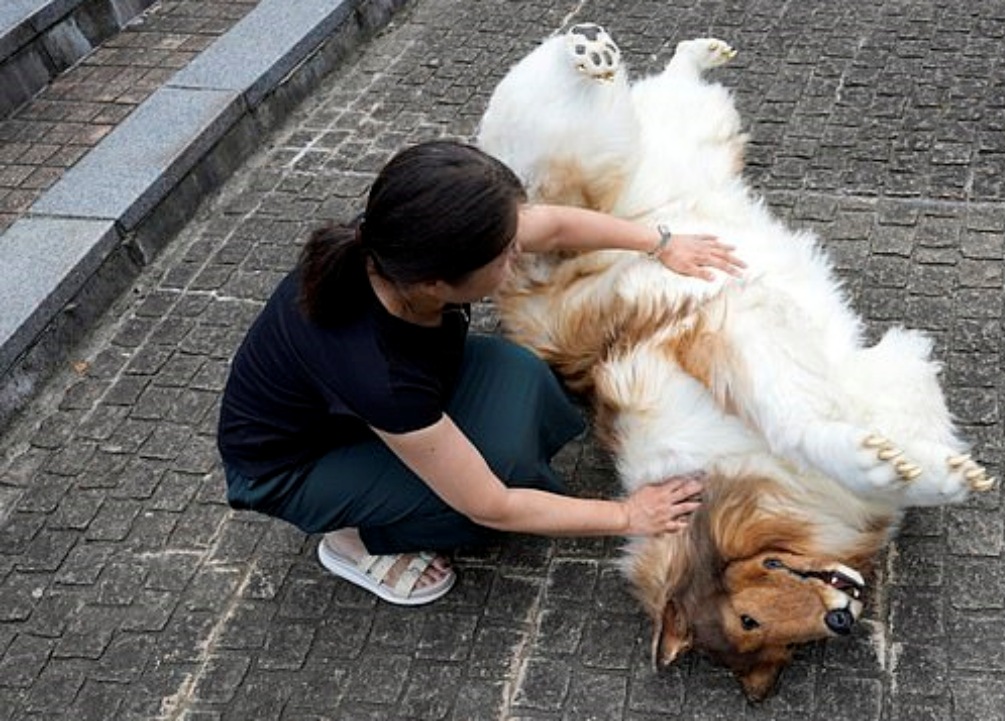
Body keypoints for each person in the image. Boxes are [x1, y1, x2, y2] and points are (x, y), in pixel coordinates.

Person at [216, 139, 745, 605]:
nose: (518, 258)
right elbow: (492, 504)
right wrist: (627, 516)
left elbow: (553, 224)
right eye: (506, 256)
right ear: (436, 285)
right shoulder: (378, 371)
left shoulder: (406, 236)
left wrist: (661, 242)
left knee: (525, 375)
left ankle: (409, 477)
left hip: (382, 404)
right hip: (292, 467)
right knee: (476, 504)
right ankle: (354, 541)